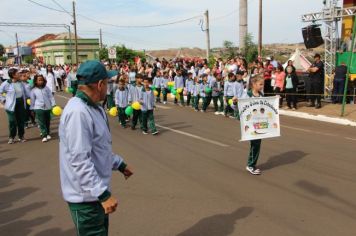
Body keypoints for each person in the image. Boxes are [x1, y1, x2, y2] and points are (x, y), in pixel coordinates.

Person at [59, 60, 133, 236]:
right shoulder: (78, 112)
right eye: (107, 83)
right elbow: (79, 160)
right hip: (86, 198)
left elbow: (99, 148)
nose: (108, 87)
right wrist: (103, 195)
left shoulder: (95, 109)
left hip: (96, 193)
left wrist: (120, 164)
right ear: (100, 84)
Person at [232, 75, 265, 175]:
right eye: (260, 84)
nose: (262, 86)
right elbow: (237, 107)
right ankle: (251, 165)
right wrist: (234, 103)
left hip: (259, 122)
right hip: (249, 123)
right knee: (255, 143)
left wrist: (275, 100)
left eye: (263, 84)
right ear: (253, 84)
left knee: (257, 144)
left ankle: (251, 164)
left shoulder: (261, 95)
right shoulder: (247, 95)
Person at [0, 68, 30, 144]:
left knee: (21, 121)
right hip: (10, 105)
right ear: (13, 75)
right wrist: (3, 99)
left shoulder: (21, 83)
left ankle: (21, 136)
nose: (19, 74)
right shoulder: (7, 83)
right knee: (12, 121)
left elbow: (26, 93)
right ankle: (11, 137)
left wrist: (31, 97)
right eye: (17, 73)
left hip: (20, 103)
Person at [30, 74, 56, 142]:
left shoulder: (46, 88)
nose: (41, 81)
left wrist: (53, 104)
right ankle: (44, 135)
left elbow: (51, 97)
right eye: (39, 80)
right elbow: (32, 100)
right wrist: (32, 109)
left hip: (47, 107)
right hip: (38, 107)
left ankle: (47, 133)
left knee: (47, 121)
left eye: (42, 80)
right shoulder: (33, 90)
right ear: (35, 81)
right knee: (41, 122)